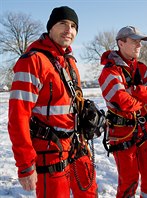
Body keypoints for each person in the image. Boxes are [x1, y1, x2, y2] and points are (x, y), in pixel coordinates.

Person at [8, 6, 99, 197]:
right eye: (62, 23)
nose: (69, 30)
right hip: (49, 150)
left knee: (89, 193)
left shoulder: (69, 61)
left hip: (77, 144)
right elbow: (18, 117)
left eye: (73, 26)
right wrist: (25, 165)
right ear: (50, 27)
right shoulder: (32, 61)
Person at [98, 26, 147, 198]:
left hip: (144, 131)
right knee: (129, 180)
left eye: (140, 42)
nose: (139, 45)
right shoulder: (109, 71)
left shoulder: (141, 67)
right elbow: (122, 102)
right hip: (122, 134)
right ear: (121, 43)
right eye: (134, 41)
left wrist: (135, 90)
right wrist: (143, 98)